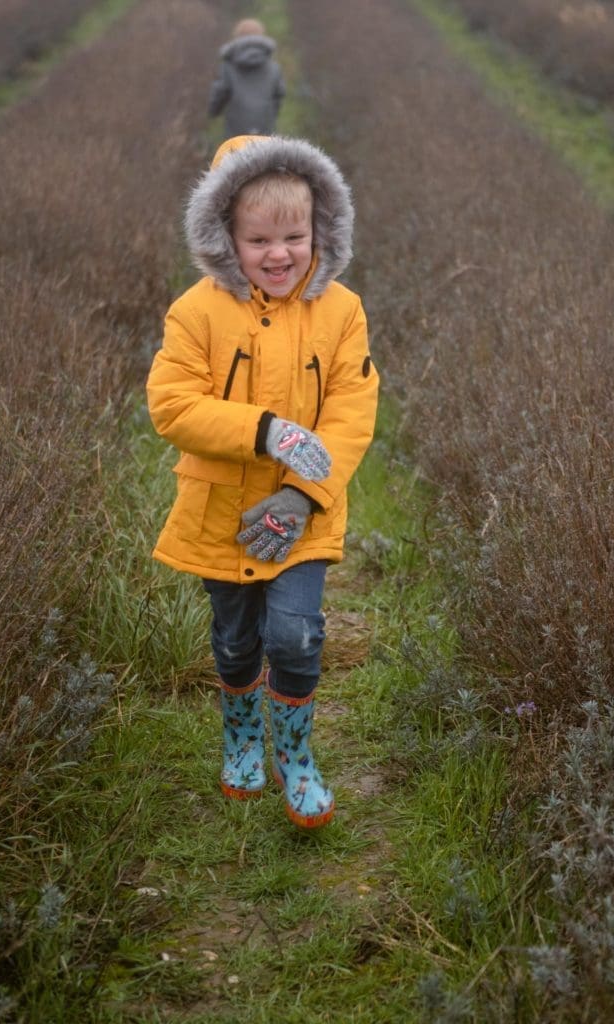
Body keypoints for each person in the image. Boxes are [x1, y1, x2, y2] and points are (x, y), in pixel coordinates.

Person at [146, 134, 379, 829]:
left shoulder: (342, 311)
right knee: (235, 638)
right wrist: (266, 431)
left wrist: (303, 494)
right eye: (258, 240)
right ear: (224, 239)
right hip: (222, 515)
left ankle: (296, 758)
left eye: (294, 236)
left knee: (294, 635)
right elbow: (172, 405)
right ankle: (243, 739)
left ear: (321, 231)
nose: (279, 254)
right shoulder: (196, 312)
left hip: (304, 517)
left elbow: (351, 409)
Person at [207, 18, 286, 139]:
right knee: (264, 155)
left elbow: (220, 92)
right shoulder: (273, 67)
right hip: (264, 123)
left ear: (237, 36)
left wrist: (213, 111)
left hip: (236, 125)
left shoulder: (228, 66)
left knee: (236, 153)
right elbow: (279, 94)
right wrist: (272, 113)